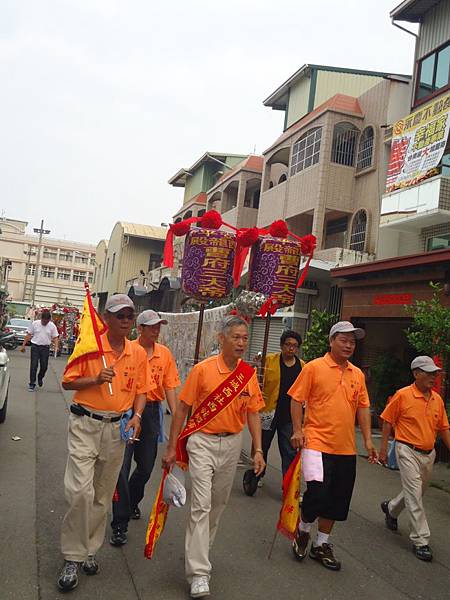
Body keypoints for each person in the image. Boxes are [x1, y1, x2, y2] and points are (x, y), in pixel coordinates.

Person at [162, 315, 265, 598]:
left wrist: (257, 449)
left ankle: (198, 553)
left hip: (232, 444)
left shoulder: (248, 374)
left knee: (218, 505)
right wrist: (172, 447)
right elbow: (182, 409)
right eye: (236, 337)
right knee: (201, 505)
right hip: (202, 442)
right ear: (222, 339)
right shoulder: (203, 370)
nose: (242, 343)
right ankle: (198, 572)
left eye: (245, 338)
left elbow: (253, 412)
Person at [57, 294, 153, 592]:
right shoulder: (90, 345)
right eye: (120, 315)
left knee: (101, 494)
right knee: (79, 491)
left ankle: (89, 550)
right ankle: (72, 556)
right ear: (107, 318)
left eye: (129, 316)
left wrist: (137, 415)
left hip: (117, 430)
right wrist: (95, 379)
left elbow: (142, 389)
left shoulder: (137, 353)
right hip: (85, 423)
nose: (126, 321)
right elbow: (67, 381)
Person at [289, 321, 377, 571]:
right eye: (344, 340)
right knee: (318, 492)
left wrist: (369, 440)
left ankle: (321, 545)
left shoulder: (357, 374)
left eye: (353, 341)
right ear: (331, 341)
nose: (349, 345)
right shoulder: (314, 368)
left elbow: (362, 407)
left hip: (346, 448)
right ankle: (304, 530)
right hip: (315, 442)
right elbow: (296, 399)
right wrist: (298, 430)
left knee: (338, 499)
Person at [110, 309, 180, 545]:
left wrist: (177, 418)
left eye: (158, 326)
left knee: (147, 467)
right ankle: (120, 523)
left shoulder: (165, 354)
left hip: (151, 413)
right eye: (151, 326)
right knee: (122, 466)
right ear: (139, 329)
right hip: (127, 412)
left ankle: (130, 501)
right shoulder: (128, 351)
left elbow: (170, 386)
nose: (156, 330)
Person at [379, 356, 450, 562]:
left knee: (415, 492)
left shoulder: (437, 399)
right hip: (406, 449)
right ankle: (421, 540)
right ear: (416, 373)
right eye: (428, 373)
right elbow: (386, 421)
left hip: (429, 455)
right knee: (415, 495)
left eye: (435, 373)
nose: (433, 377)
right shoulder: (402, 395)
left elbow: (444, 429)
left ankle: (391, 509)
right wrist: (383, 449)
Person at [257, 330, 304, 487]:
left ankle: (288, 485)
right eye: (288, 345)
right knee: (262, 445)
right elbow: (258, 378)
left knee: (289, 451)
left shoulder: (303, 367)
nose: (291, 349)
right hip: (269, 412)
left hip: (289, 417)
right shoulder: (269, 361)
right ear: (282, 345)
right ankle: (257, 475)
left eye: (295, 346)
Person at [20, 309, 59, 390]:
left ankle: (40, 377)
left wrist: (56, 347)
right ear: (41, 318)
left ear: (49, 320)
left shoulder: (52, 326)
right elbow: (29, 335)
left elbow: (55, 337)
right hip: (35, 347)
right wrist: (23, 345)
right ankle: (32, 383)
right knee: (34, 365)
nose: (44, 323)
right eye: (43, 321)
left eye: (46, 321)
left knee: (44, 366)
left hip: (45, 348)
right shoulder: (35, 324)